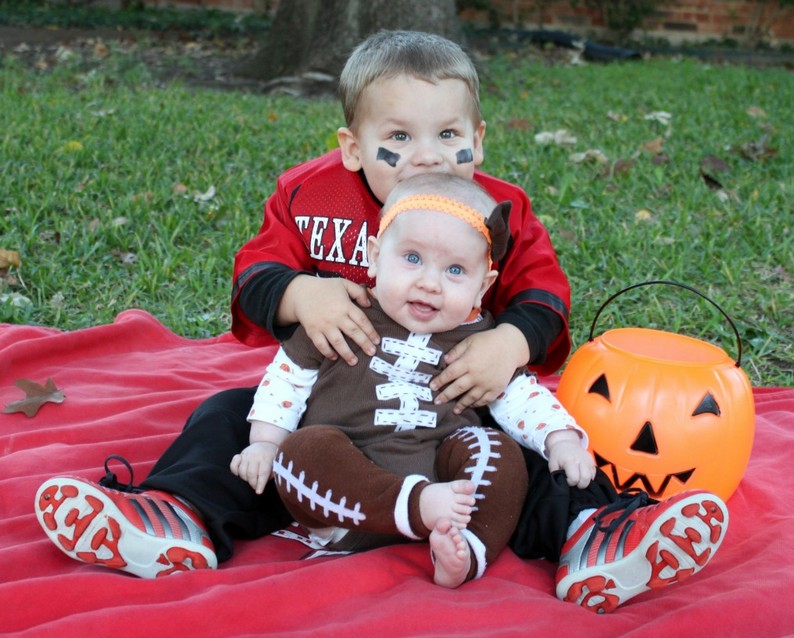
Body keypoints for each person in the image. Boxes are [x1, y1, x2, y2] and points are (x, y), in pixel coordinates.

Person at [34, 30, 728, 613]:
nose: (427, 155)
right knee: (227, 417)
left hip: (450, 413)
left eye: (448, 134)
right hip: (328, 419)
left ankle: (593, 533)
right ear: (353, 146)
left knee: (538, 446)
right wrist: (302, 295)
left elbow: (544, 293)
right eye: (399, 135)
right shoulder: (310, 194)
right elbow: (253, 276)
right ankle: (177, 513)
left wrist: (507, 343)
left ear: (479, 140)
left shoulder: (500, 211)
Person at [230, 173, 591, 588]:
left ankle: (467, 551)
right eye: (412, 259)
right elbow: (287, 379)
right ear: (375, 255)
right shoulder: (344, 314)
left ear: (482, 287)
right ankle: (413, 506)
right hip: (345, 503)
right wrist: (263, 442)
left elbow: (522, 398)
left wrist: (561, 440)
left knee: (497, 450)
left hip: (445, 493)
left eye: (455, 270)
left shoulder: (478, 340)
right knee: (300, 452)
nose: (429, 282)